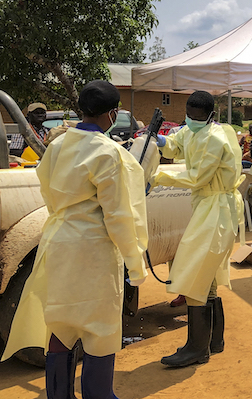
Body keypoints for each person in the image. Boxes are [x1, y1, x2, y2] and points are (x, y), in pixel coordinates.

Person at [1, 80, 149, 398]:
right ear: (112, 114)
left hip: (55, 243)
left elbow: (46, 188)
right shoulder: (108, 153)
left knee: (61, 326)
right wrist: (136, 266)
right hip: (93, 252)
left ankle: (59, 394)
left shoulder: (56, 146)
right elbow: (119, 217)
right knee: (99, 330)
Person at [153, 90, 243, 368]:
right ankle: (213, 341)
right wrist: (158, 140)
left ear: (209, 116)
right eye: (188, 116)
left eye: (196, 117)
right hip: (206, 205)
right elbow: (176, 145)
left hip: (217, 207)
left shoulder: (214, 138)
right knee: (208, 274)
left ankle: (196, 348)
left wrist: (157, 177)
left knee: (194, 272)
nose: (191, 120)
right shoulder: (192, 130)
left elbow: (196, 177)